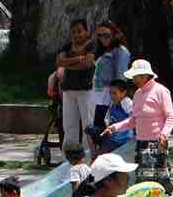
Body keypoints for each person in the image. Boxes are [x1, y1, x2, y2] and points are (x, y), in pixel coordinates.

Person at [104, 59, 173, 156]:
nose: (133, 80)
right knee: (141, 171)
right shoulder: (138, 94)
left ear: (144, 75)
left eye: (135, 76)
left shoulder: (161, 91)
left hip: (158, 142)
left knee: (158, 171)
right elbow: (134, 120)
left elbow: (170, 117)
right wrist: (115, 127)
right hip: (140, 141)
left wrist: (164, 134)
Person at [56, 18, 96, 150]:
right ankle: (69, 156)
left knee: (88, 125)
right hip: (68, 90)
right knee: (69, 125)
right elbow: (59, 62)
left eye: (79, 31)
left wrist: (68, 64)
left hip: (86, 90)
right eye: (73, 32)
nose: (76, 35)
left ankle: (88, 153)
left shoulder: (91, 46)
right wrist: (77, 59)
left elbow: (87, 64)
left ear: (86, 31)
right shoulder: (67, 46)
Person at [90, 20, 131, 144]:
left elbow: (120, 76)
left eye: (107, 35)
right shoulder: (103, 51)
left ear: (114, 34)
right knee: (97, 130)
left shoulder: (120, 51)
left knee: (105, 131)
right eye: (100, 35)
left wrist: (117, 97)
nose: (103, 38)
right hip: (99, 97)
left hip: (111, 98)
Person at [97, 78, 135, 154]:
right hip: (113, 138)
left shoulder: (126, 102)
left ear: (123, 93)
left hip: (124, 141)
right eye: (110, 93)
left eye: (114, 93)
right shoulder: (113, 102)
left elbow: (134, 118)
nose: (112, 96)